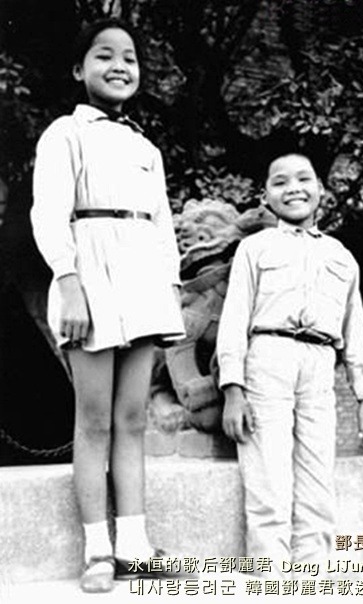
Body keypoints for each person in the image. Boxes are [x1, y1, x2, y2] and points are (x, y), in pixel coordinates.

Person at [31, 17, 185, 593]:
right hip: (90, 277)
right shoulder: (64, 134)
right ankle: (98, 549)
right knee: (94, 420)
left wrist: (169, 289)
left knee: (133, 419)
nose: (119, 66)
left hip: (143, 281)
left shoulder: (146, 148)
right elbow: (49, 213)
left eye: (129, 57)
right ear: (79, 69)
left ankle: (135, 548)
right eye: (104, 55)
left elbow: (162, 225)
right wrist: (69, 282)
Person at [216, 152, 363, 577]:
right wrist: (233, 389)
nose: (293, 189)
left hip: (320, 364)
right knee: (268, 480)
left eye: (303, 179)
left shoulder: (342, 257)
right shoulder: (254, 248)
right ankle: (270, 577)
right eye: (280, 182)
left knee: (317, 481)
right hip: (267, 356)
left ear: (320, 190)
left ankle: (311, 577)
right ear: (265, 196)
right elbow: (234, 319)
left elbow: (355, 330)